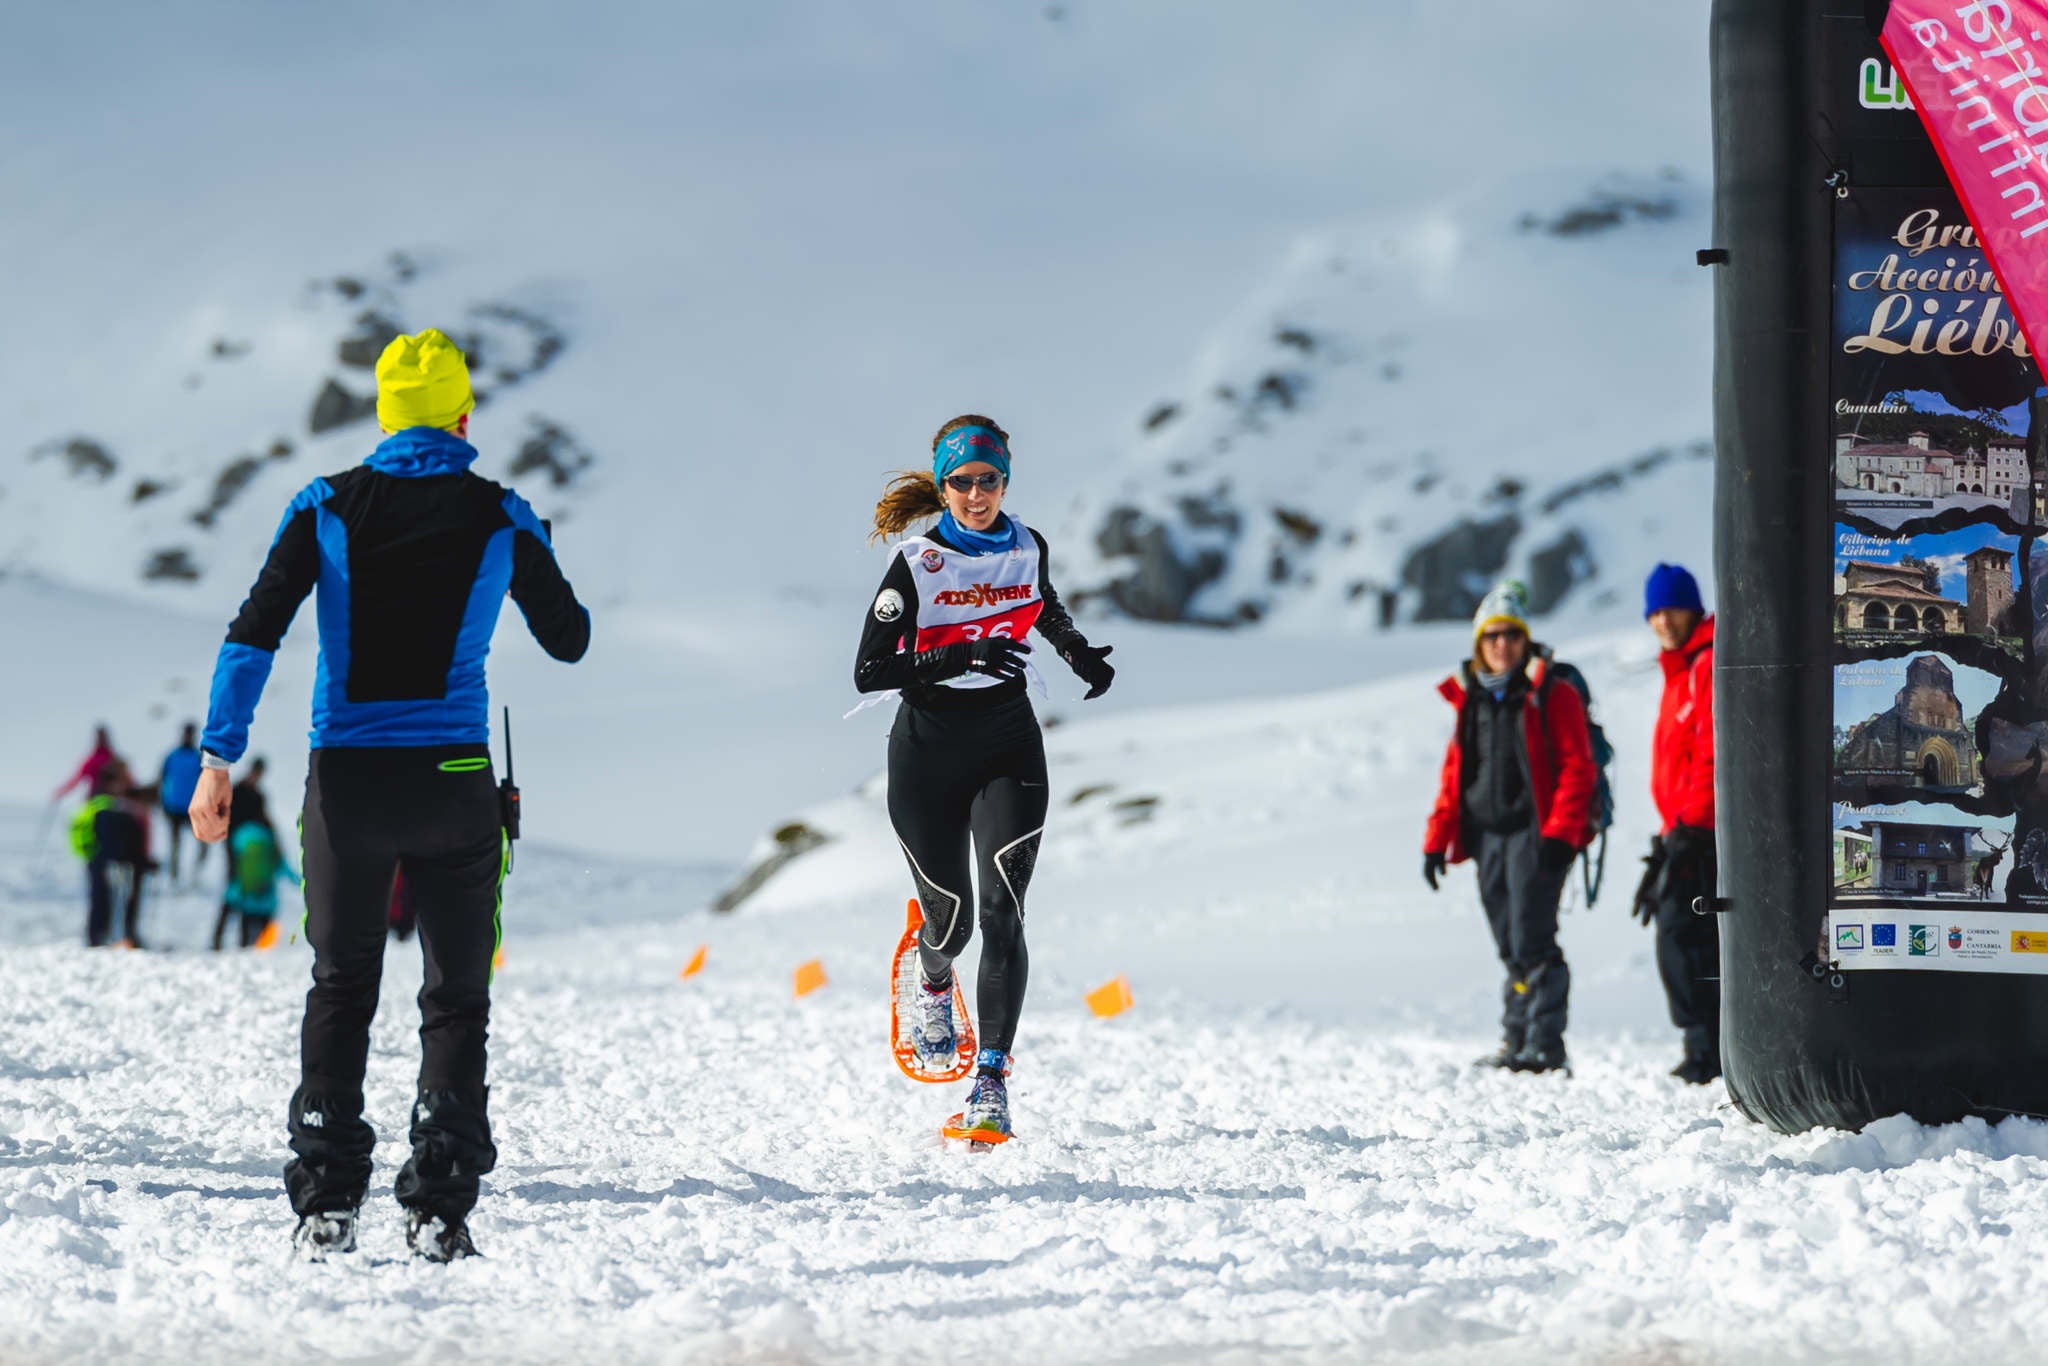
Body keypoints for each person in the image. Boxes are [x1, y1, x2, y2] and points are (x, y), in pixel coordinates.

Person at [188, 329, 590, 1260]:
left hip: (348, 785)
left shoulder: (325, 503)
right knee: (456, 995)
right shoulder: (499, 513)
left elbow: (254, 633)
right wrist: (522, 559)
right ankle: (440, 1207)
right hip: (454, 780)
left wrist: (219, 757)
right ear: (461, 414)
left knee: (342, 982)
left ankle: (327, 1200)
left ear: (382, 415)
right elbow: (567, 637)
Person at [853, 415, 1117, 1145]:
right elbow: (869, 670)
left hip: (1008, 747)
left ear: (1005, 481)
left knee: (1004, 914)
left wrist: (1076, 653)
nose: (977, 494)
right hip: (927, 753)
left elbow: (1043, 602)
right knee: (955, 923)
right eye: (963, 483)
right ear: (942, 487)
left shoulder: (1027, 544)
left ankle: (991, 1084)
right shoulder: (918, 561)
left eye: (989, 481)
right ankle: (933, 975)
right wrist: (958, 655)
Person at [1423, 580, 1596, 1074]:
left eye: (1512, 635)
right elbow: (1456, 775)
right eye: (1493, 636)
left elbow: (1577, 767)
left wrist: (1560, 837)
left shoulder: (1549, 692)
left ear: (1525, 640)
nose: (1503, 645)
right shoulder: (1473, 699)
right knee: (1507, 941)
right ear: (1479, 643)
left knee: (1532, 938)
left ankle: (1544, 1044)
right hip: (1487, 837)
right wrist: (1437, 841)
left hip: (1534, 835)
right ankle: (1517, 1039)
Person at [1632, 563, 1721, 1085]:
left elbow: (1711, 752)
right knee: (1683, 935)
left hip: (1703, 830)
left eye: (1672, 608)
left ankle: (1707, 1049)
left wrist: (1690, 827)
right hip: (1683, 827)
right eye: (1655, 612)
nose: (1664, 620)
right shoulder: (1679, 670)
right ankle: (1701, 1046)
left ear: (1693, 608)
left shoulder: (1706, 664)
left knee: (1686, 935)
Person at [71, 760, 150, 948]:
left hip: (100, 859)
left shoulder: (103, 803)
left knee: (103, 899)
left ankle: (100, 937)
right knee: (104, 899)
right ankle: (100, 938)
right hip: (106, 860)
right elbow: (111, 840)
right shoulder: (108, 807)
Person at [210, 758, 271, 951]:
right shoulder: (237, 790)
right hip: (235, 849)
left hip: (251, 853)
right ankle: (218, 938)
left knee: (247, 893)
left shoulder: (258, 796)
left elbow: (263, 820)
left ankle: (243, 940)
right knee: (233, 891)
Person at [225, 812, 300, 948]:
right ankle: (261, 953)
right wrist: (300, 881)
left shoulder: (240, 835)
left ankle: (243, 952)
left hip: (246, 897)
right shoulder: (269, 837)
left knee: (245, 936)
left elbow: (235, 866)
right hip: (267, 899)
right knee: (264, 940)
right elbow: (281, 865)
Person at [159, 723, 206, 884]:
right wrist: (163, 802)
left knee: (202, 842)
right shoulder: (172, 756)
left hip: (193, 808)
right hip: (174, 806)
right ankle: (174, 876)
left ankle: (196, 873)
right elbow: (162, 779)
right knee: (175, 844)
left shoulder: (198, 757)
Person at [54, 726, 120, 801]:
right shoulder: (112, 759)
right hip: (105, 799)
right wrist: (62, 791)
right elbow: (75, 780)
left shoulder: (101, 760)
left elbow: (75, 780)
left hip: (100, 799)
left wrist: (61, 792)